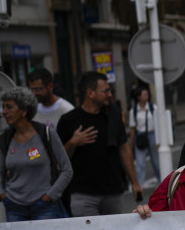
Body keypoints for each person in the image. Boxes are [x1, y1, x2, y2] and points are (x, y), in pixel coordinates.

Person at [57, 72, 142, 215]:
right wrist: (73, 142)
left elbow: (124, 149)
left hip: (113, 191)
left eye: (110, 90)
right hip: (82, 194)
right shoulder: (68, 120)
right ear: (90, 93)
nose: (110, 94)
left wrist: (135, 182)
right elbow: (59, 159)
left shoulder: (114, 114)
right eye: (106, 91)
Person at [0, 87, 73, 221]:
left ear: (24, 111)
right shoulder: (6, 138)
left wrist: (50, 196)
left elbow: (67, 169)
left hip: (44, 207)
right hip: (14, 208)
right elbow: (0, 171)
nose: (4, 112)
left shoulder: (46, 134)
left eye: (9, 107)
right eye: (3, 107)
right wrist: (2, 194)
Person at [128, 85, 161, 186]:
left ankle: (162, 181)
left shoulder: (153, 107)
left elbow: (158, 124)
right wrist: (131, 143)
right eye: (144, 95)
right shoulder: (133, 111)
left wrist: (159, 140)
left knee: (156, 161)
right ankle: (140, 185)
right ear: (138, 97)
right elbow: (132, 128)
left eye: (147, 94)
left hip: (152, 135)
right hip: (140, 137)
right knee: (140, 162)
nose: (146, 96)